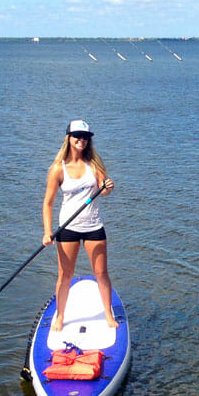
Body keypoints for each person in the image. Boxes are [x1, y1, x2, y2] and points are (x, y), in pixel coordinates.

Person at [42, 119, 118, 331]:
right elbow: (48, 203)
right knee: (65, 275)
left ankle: (108, 315)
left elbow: (104, 190)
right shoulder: (58, 168)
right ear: (69, 138)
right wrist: (47, 232)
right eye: (77, 136)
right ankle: (61, 317)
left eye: (85, 137)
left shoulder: (94, 164)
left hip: (93, 226)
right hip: (68, 227)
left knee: (101, 273)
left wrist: (108, 188)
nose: (81, 140)